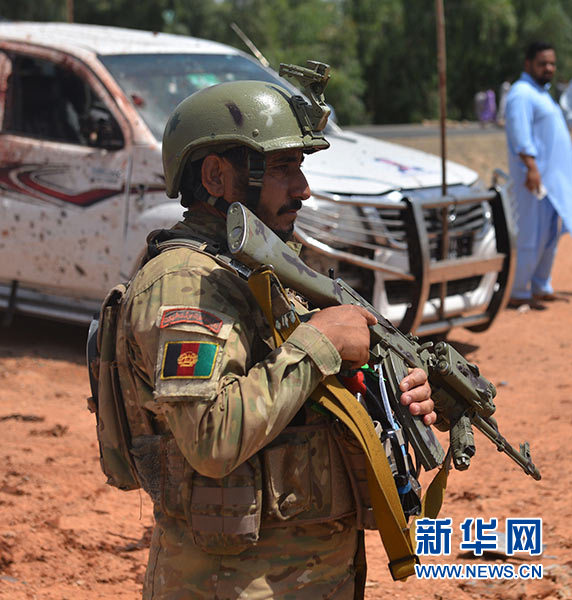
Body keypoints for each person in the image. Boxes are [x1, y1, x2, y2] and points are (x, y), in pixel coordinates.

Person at [112, 78, 436, 599]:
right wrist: (321, 343)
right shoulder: (186, 282)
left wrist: (390, 391)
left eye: (299, 168)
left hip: (307, 576)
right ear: (216, 176)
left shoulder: (262, 269)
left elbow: (302, 400)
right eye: (283, 168)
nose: (303, 189)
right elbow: (211, 438)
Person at [504, 41, 572, 309]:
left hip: (552, 182)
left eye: (552, 63)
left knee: (549, 236)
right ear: (528, 64)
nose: (549, 68)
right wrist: (531, 168)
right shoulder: (521, 93)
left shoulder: (541, 93)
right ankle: (518, 291)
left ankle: (540, 286)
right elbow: (520, 134)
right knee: (530, 236)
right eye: (543, 63)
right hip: (533, 179)